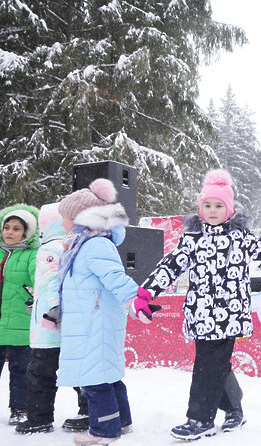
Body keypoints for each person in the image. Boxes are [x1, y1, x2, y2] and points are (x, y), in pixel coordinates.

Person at [139, 169, 261, 441]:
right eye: (208, 205)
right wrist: (146, 292)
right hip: (200, 314)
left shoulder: (240, 237)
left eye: (219, 205)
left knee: (208, 366)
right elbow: (170, 266)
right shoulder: (192, 238)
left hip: (229, 315)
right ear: (200, 207)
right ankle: (234, 409)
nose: (213, 210)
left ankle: (199, 420)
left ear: (230, 210)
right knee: (216, 365)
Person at [56, 178, 156, 445]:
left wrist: (134, 299)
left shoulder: (94, 244)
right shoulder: (83, 244)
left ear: (81, 218)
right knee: (108, 375)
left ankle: (103, 430)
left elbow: (115, 278)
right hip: (90, 320)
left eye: (65, 218)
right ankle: (121, 423)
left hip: (94, 322)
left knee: (94, 379)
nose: (62, 223)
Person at [15, 203, 89, 435]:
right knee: (79, 369)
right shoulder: (69, 245)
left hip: (48, 326)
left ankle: (39, 417)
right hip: (64, 322)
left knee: (40, 372)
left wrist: (50, 309)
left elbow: (51, 284)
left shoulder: (49, 249)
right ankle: (88, 411)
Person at [0, 204, 39, 426]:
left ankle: (20, 408)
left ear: (26, 232)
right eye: (7, 227)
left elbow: (39, 282)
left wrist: (28, 292)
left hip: (20, 322)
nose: (10, 232)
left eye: (16, 228)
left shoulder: (32, 255)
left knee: (20, 371)